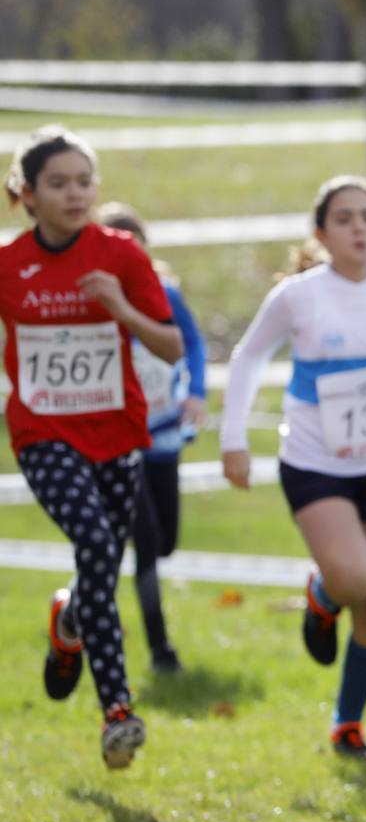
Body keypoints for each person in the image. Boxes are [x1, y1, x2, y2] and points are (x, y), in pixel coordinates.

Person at [219, 176, 366, 760]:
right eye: (344, 219)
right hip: (315, 459)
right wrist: (233, 440)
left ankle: (347, 724)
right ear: (321, 233)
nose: (357, 228)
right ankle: (324, 595)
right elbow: (249, 355)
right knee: (354, 578)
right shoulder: (299, 295)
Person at [1, 128, 182, 768]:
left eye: (84, 181)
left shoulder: (123, 256)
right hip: (42, 430)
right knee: (100, 544)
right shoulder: (8, 264)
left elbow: (170, 346)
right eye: (58, 183)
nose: (75, 194)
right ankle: (117, 712)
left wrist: (120, 309)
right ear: (27, 194)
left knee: (100, 566)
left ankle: (67, 620)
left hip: (117, 431)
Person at [98, 204, 208, 676]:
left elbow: (193, 342)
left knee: (165, 543)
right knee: (145, 540)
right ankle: (161, 649)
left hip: (162, 435)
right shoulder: (88, 300)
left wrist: (197, 392)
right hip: (118, 443)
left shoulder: (165, 293)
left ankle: (83, 595)